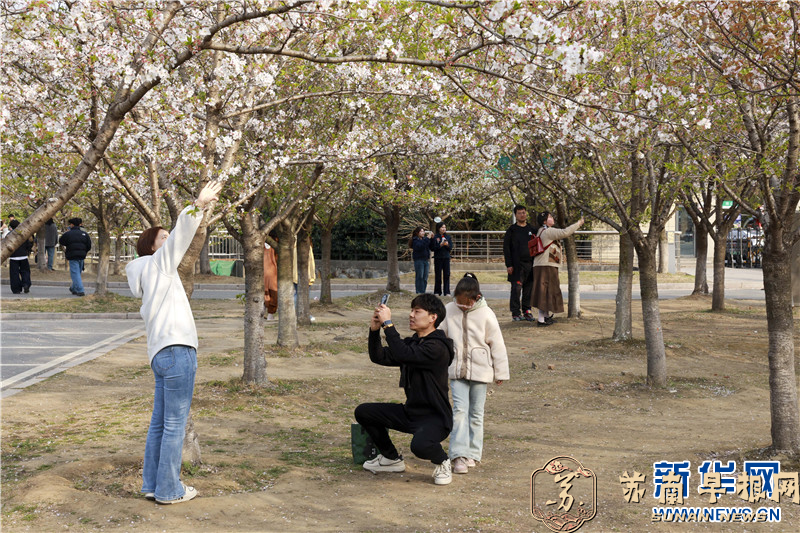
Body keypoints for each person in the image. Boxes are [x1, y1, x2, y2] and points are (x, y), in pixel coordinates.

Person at [125, 181, 222, 505]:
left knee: (159, 425)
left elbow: (177, 239)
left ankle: (153, 484)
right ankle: (169, 489)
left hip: (160, 354)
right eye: (162, 239)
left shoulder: (146, 273)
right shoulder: (160, 266)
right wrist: (199, 203)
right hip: (177, 351)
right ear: (152, 247)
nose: (170, 242)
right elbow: (182, 234)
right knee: (173, 426)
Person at [354, 294, 455, 485]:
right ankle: (391, 458)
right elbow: (379, 357)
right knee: (364, 412)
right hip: (411, 413)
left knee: (419, 446)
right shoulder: (413, 343)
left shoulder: (438, 347)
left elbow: (403, 353)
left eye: (417, 311)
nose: (411, 315)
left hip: (436, 418)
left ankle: (442, 461)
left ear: (433, 317)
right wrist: (374, 331)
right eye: (411, 310)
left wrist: (388, 324)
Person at [439, 273, 509, 474]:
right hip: (456, 370)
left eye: (465, 303)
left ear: (476, 298)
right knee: (460, 411)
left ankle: (473, 453)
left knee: (476, 413)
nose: (461, 306)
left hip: (481, 371)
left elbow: (497, 344)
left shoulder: (487, 314)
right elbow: (440, 336)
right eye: (458, 302)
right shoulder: (449, 310)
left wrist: (500, 372)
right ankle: (458, 455)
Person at [531, 211, 584, 327]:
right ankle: (541, 320)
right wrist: (578, 223)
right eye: (549, 217)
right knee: (544, 292)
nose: (552, 218)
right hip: (546, 266)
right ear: (544, 221)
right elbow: (565, 232)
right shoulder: (548, 231)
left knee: (546, 291)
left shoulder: (542, 231)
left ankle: (544, 317)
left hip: (543, 265)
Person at [503, 205, 537, 322]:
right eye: (519, 213)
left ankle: (527, 311)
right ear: (515, 215)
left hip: (530, 264)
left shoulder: (532, 230)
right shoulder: (511, 230)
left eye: (524, 212)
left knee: (529, 289)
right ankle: (515, 312)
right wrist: (509, 265)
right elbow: (506, 248)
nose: (522, 215)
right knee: (516, 288)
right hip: (517, 265)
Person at [59, 217, 92, 296]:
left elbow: (61, 241)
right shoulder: (84, 234)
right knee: (78, 272)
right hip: (82, 255)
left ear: (72, 224)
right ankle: (73, 288)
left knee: (75, 273)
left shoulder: (68, 233)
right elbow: (89, 245)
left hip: (72, 255)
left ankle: (80, 290)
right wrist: (84, 251)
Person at [7, 220, 33, 294]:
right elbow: (29, 245)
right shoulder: (23, 234)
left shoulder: (9, 235)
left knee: (14, 273)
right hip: (23, 256)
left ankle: (16, 289)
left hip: (13, 257)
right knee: (25, 272)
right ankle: (26, 284)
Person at [430, 221, 453, 296]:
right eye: (442, 227)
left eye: (445, 227)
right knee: (438, 275)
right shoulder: (436, 237)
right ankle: (437, 291)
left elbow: (450, 248)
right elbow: (433, 248)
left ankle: (447, 292)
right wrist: (440, 245)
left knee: (447, 275)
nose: (444, 229)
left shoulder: (448, 237)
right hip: (438, 258)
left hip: (446, 258)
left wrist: (447, 245)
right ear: (438, 228)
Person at [409, 226, 432, 294]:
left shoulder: (424, 239)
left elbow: (429, 246)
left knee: (425, 277)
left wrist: (431, 238)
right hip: (419, 260)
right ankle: (419, 291)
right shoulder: (415, 240)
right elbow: (420, 246)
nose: (423, 233)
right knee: (420, 277)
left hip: (426, 260)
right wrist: (427, 238)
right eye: (421, 231)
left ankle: (423, 291)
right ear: (417, 233)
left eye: (423, 231)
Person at [263, 235, 278, 320]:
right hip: (266, 271)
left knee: (273, 292)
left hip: (273, 271)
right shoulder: (260, 244)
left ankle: (270, 313)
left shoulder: (275, 244)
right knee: (266, 292)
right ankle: (269, 313)